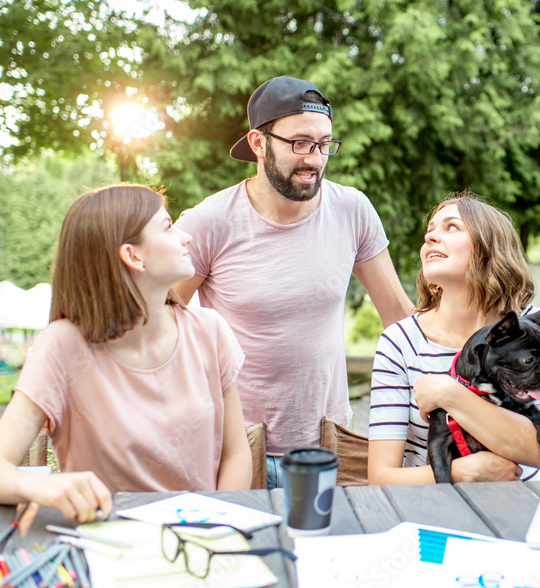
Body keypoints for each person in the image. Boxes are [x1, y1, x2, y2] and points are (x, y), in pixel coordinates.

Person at [173, 76, 414, 487]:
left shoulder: (352, 210)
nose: (315, 159)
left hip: (332, 448)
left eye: (324, 144)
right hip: (237, 450)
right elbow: (159, 323)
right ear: (257, 142)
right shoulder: (210, 222)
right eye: (300, 143)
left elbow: (401, 319)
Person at [0, 184, 252, 522]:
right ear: (133, 256)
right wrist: (39, 487)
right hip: (106, 549)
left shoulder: (210, 331)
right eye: (168, 227)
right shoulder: (62, 345)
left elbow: (236, 454)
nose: (187, 238)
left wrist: (215, 525)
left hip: (201, 543)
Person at [367, 192, 540, 484]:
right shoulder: (400, 341)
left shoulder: (537, 328)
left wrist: (450, 394)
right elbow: (380, 478)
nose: (431, 237)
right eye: (430, 230)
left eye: (451, 227)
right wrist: (461, 472)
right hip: (428, 512)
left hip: (515, 513)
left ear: (489, 247)